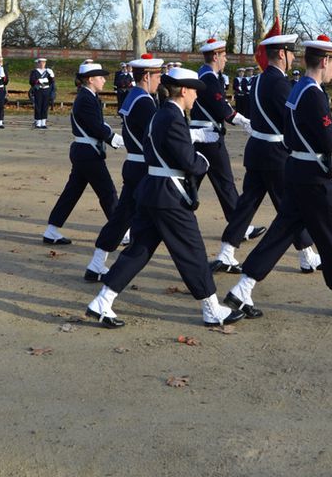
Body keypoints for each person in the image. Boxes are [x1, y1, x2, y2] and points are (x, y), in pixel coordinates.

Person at [223, 35, 332, 320]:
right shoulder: (312, 92)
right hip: (311, 176)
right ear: (324, 61)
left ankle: (243, 287)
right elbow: (325, 137)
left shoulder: (298, 88)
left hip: (297, 169)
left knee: (280, 233)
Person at [85, 67, 246, 329]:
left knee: (139, 250)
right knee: (192, 251)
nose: (196, 96)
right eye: (194, 91)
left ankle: (103, 300)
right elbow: (188, 161)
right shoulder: (172, 117)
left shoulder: (164, 114)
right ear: (183, 91)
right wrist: (203, 161)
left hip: (153, 191)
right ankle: (211, 308)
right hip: (168, 195)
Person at [210, 33, 322, 277]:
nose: (293, 58)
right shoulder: (280, 83)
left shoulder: (259, 80)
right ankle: (307, 256)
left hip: (257, 149)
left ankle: (226, 250)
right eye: (291, 53)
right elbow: (291, 118)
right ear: (281, 54)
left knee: (246, 205)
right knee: (290, 206)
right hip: (275, 154)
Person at [83, 55, 164, 281]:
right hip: (145, 169)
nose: (161, 80)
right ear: (146, 76)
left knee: (122, 217)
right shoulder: (144, 101)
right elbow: (160, 133)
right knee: (174, 223)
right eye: (158, 75)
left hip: (134, 165)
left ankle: (97, 263)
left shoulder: (133, 96)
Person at [189, 37, 265, 240]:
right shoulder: (209, 78)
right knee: (225, 182)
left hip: (205, 135)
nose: (226, 60)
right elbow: (221, 107)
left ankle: (238, 226)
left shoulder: (207, 75)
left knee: (195, 181)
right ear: (215, 56)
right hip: (209, 137)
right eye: (223, 56)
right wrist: (243, 121)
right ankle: (240, 227)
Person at [42, 62, 124, 245]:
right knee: (107, 192)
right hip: (88, 153)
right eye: (100, 77)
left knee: (72, 192)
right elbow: (94, 126)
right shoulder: (86, 98)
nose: (104, 80)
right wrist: (112, 137)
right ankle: (121, 232)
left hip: (84, 152)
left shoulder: (88, 96)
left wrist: (109, 133)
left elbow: (94, 123)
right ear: (90, 79)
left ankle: (51, 229)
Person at [29, 57, 55, 129]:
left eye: (44, 63)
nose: (42, 64)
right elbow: (31, 81)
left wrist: (52, 76)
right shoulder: (34, 71)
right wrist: (39, 81)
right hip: (38, 90)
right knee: (38, 106)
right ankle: (38, 122)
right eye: (41, 62)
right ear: (38, 63)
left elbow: (52, 82)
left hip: (46, 90)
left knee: (45, 106)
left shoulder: (48, 71)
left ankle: (43, 122)